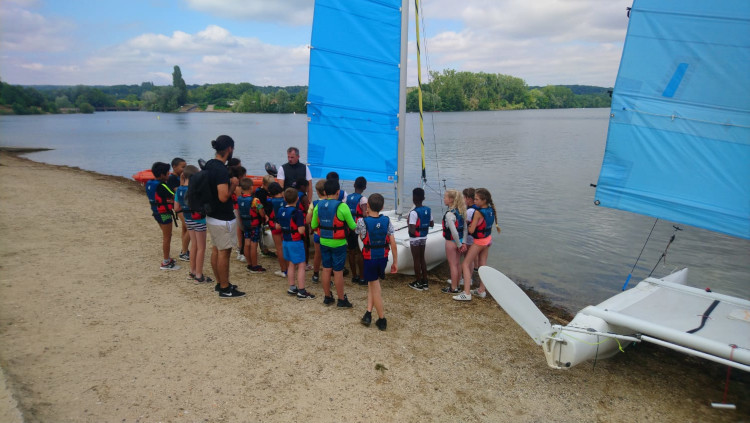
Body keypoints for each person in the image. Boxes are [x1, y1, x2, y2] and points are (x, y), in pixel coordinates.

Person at [204, 135, 245, 298]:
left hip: (211, 214)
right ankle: (225, 287)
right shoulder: (221, 169)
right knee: (224, 252)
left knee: (216, 249)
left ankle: (220, 282)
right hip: (223, 217)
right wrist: (234, 184)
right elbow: (223, 196)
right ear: (229, 149)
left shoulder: (209, 164)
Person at [310, 178, 357, 307]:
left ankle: (327, 297)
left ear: (325, 191)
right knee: (338, 271)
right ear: (338, 192)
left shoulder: (318, 206)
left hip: (324, 242)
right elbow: (353, 226)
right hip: (339, 244)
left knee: (326, 269)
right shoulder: (342, 206)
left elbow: (313, 225)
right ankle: (341, 299)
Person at [357, 193, 397, 331]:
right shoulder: (387, 220)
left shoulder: (362, 221)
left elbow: (361, 235)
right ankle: (368, 313)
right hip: (383, 258)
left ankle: (382, 319)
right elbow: (392, 242)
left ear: (367, 206)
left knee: (375, 288)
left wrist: (366, 214)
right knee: (372, 284)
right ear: (383, 207)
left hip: (370, 259)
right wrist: (395, 262)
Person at [453, 188, 500, 301]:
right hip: (488, 240)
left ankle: (467, 292)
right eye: (474, 199)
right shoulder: (490, 210)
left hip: (479, 242)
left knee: (465, 264)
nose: (475, 201)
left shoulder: (478, 213)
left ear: (484, 200)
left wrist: (466, 224)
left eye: (477, 199)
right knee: (482, 265)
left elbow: (472, 231)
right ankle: (481, 290)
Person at [174, 165, 213, 283]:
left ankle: (192, 271)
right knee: (201, 248)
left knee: (194, 245)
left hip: (187, 219)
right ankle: (199, 275)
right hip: (199, 220)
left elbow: (176, 208)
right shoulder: (195, 189)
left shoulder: (179, 189)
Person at [276, 188, 315, 300]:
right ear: (297, 199)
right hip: (296, 242)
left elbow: (277, 226)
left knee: (291, 264)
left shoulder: (281, 210)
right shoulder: (297, 212)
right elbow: (301, 230)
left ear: (284, 198)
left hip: (286, 241)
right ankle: (302, 291)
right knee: (301, 265)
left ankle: (292, 287)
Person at [146, 161, 180, 271]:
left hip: (156, 213)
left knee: (166, 235)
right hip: (164, 214)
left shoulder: (149, 183)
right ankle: (166, 261)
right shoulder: (162, 186)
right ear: (161, 175)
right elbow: (174, 195)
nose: (169, 174)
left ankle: (167, 258)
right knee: (167, 237)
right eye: (167, 173)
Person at [237, 178, 267, 273]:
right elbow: (261, 212)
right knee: (254, 245)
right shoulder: (255, 200)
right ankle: (255, 265)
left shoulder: (239, 199)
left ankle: (249, 264)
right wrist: (264, 217)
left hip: (246, 224)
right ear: (251, 188)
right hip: (254, 225)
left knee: (247, 244)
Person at [407, 187, 433, 291]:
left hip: (415, 239)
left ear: (413, 198)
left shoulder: (414, 212)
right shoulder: (428, 209)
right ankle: (425, 281)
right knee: (422, 258)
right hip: (424, 237)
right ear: (423, 198)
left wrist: (409, 225)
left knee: (416, 260)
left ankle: (418, 282)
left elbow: (412, 230)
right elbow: (431, 224)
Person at [441, 189, 466, 294]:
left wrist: (459, 245)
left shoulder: (449, 214)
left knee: (452, 265)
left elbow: (454, 232)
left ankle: (453, 288)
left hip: (452, 242)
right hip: (460, 241)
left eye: (445, 197)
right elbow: (465, 229)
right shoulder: (461, 212)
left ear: (451, 200)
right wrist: (463, 242)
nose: (444, 199)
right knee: (458, 264)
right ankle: (458, 285)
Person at [346, 177, 368, 285]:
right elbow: (364, 214)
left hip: (349, 228)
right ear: (364, 187)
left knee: (351, 251)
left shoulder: (347, 198)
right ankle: (362, 277)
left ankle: (354, 276)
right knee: (360, 253)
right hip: (359, 229)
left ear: (354, 185)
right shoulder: (363, 199)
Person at [168, 157, 190, 262]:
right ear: (174, 167)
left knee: (185, 228)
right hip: (180, 207)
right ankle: (184, 252)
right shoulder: (172, 178)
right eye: (183, 167)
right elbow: (179, 192)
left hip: (184, 206)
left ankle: (185, 249)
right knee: (190, 228)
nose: (185, 169)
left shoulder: (182, 177)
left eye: (186, 167)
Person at [306, 179, 326, 283]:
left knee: (317, 254)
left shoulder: (314, 204)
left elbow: (308, 220)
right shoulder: (333, 203)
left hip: (317, 233)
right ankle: (327, 277)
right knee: (327, 255)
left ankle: (315, 275)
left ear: (317, 192)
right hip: (329, 234)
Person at [267, 182, 288, 277]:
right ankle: (289, 267)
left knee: (279, 248)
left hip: (275, 225)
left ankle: (284, 270)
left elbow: (268, 213)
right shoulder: (286, 200)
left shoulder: (270, 201)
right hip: (286, 225)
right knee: (286, 247)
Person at [255, 174, 276, 258]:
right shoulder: (260, 192)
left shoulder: (270, 191)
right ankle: (264, 249)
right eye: (268, 187)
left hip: (270, 213)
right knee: (262, 232)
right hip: (263, 214)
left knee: (268, 230)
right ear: (263, 184)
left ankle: (267, 247)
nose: (269, 190)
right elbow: (260, 205)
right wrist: (264, 215)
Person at [230, 165, 247, 263]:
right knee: (242, 230)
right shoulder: (239, 188)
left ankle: (240, 249)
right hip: (239, 209)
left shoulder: (233, 185)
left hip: (235, 209)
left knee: (239, 229)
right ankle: (242, 251)